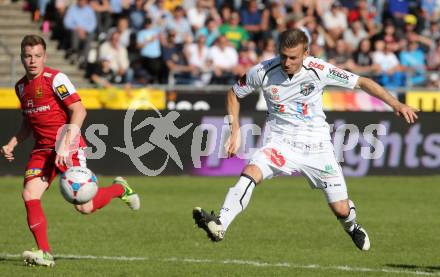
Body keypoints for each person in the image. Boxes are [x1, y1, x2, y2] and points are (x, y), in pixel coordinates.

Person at [193, 29, 418, 250]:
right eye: (283, 56)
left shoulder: (319, 69)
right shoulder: (263, 70)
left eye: (293, 57)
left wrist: (396, 105)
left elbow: (362, 82)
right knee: (251, 171)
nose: (287, 62)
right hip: (280, 142)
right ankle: (221, 223)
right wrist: (235, 130)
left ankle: (351, 227)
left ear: (305, 54)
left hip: (318, 147)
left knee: (341, 209)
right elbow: (234, 93)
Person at [0, 35, 140, 267]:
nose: (32, 60)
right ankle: (44, 252)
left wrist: (65, 143)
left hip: (69, 145)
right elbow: (28, 122)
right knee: (29, 195)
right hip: (42, 150)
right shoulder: (21, 87)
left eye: (37, 56)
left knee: (84, 207)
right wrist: (14, 142)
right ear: (22, 58)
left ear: (44, 56)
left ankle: (119, 189)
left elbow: (79, 111)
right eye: (28, 56)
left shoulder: (56, 79)